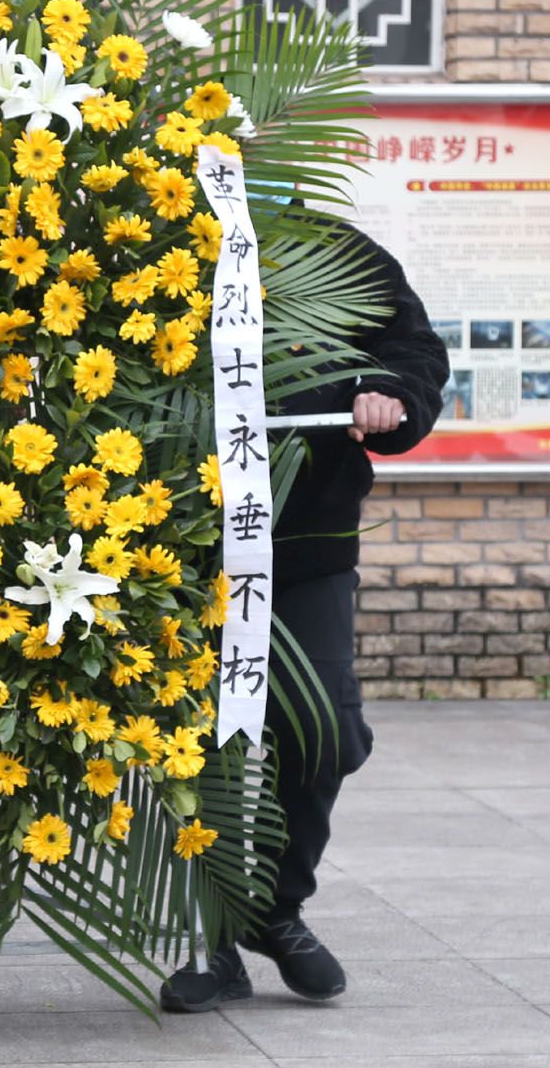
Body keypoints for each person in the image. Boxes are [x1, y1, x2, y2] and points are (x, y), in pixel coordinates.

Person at [161, 214, 448, 1014]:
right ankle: (212, 936)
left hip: (307, 544)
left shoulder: (330, 246)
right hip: (173, 545)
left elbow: (414, 349)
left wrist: (389, 394)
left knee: (325, 729)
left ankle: (275, 908)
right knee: (196, 744)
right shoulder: (145, 237)